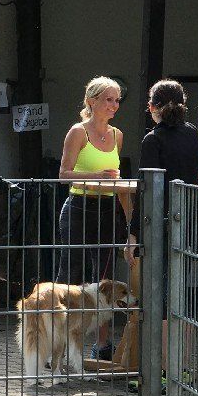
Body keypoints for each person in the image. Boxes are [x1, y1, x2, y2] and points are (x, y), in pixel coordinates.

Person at [124, 80, 198, 378]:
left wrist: (133, 233)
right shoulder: (193, 134)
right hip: (189, 222)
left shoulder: (152, 139)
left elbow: (147, 191)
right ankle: (183, 368)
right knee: (183, 294)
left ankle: (162, 370)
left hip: (160, 226)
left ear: (153, 107)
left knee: (160, 297)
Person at [57, 76, 128, 360]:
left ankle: (103, 344)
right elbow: (64, 174)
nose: (114, 105)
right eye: (108, 99)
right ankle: (58, 344)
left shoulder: (117, 135)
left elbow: (115, 179)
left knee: (104, 277)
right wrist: (96, 176)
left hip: (108, 208)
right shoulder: (78, 132)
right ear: (92, 101)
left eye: (117, 100)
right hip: (79, 207)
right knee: (70, 274)